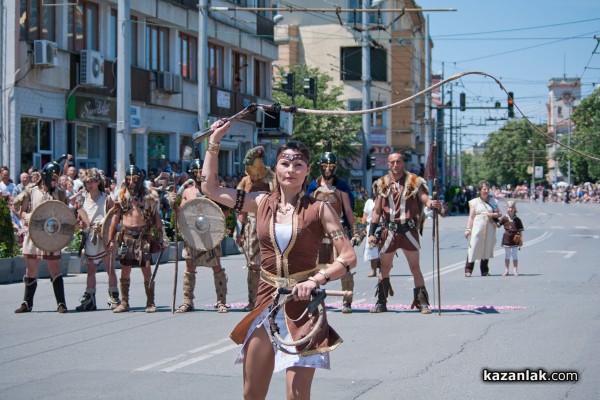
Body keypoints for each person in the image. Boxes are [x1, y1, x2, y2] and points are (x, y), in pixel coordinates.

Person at [201, 120, 357, 400]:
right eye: (285, 163)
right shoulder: (260, 202)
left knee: (296, 395)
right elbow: (210, 189)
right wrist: (215, 141)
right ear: (276, 169)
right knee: (252, 393)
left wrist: (315, 280)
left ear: (308, 170)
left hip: (303, 307)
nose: (291, 170)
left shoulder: (320, 209)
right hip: (266, 301)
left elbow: (347, 257)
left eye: (298, 165)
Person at [367, 152, 443, 314]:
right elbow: (377, 211)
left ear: (403, 163)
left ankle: (422, 302)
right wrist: (372, 233)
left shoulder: (414, 181)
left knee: (415, 267)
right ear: (388, 164)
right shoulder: (382, 183)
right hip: (389, 231)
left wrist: (432, 203)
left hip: (408, 230)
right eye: (392, 162)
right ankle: (381, 302)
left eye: (399, 161)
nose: (396, 165)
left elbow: (424, 198)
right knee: (385, 268)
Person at [106, 155, 164, 313]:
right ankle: (124, 302)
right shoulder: (122, 197)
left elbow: (157, 219)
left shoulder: (148, 198)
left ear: (140, 180)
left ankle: (150, 302)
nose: (131, 183)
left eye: (135, 180)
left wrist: (161, 237)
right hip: (126, 237)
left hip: (142, 237)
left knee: (146, 270)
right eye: (129, 180)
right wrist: (111, 239)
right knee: (125, 269)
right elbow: (114, 220)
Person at [307, 146, 361, 314]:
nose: (328, 170)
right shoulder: (312, 186)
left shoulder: (341, 187)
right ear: (320, 167)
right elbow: (306, 211)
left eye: (331, 167)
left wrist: (356, 231)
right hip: (317, 232)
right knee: (314, 269)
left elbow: (349, 211)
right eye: (324, 166)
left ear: (335, 168)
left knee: (344, 266)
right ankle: (314, 299)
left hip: (337, 231)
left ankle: (347, 300)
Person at [13, 156, 70, 313]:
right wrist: (27, 217)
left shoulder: (59, 193)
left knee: (55, 267)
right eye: (52, 178)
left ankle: (61, 303)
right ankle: (27, 303)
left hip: (51, 236)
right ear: (45, 175)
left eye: (56, 179)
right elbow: (20, 209)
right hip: (34, 234)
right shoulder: (31, 191)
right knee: (31, 269)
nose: (54, 182)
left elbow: (65, 214)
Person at [174, 156, 230, 314]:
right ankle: (187, 301)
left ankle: (221, 301)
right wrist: (174, 204)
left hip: (210, 234)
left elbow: (225, 211)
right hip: (192, 234)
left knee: (216, 266)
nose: (199, 174)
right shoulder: (187, 192)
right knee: (189, 266)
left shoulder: (214, 190)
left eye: (201, 171)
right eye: (196, 172)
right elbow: (181, 214)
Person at [74, 168, 120, 311]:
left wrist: (111, 236)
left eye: (92, 181)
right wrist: (80, 224)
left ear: (98, 181)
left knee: (110, 268)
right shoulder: (82, 199)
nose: (89, 184)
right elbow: (78, 221)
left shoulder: (106, 198)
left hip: (104, 234)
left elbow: (114, 216)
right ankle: (90, 299)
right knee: (91, 269)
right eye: (87, 181)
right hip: (90, 235)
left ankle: (113, 297)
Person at [235, 146, 274, 312]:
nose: (253, 177)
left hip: (270, 222)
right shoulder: (245, 181)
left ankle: (271, 300)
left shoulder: (272, 178)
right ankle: (253, 301)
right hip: (251, 223)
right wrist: (238, 230)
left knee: (272, 263)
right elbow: (240, 206)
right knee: (253, 264)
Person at [463, 180, 502, 277]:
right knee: (473, 246)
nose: (486, 191)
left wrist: (491, 214)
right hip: (478, 226)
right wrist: (468, 229)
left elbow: (499, 214)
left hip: (489, 226)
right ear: (480, 190)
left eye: (488, 189)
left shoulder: (493, 201)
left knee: (487, 247)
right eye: (484, 189)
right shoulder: (474, 202)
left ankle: (484, 270)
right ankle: (468, 270)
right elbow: (471, 217)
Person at [498, 200, 524, 277]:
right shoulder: (504, 218)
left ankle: (515, 270)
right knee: (507, 255)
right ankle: (506, 270)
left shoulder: (517, 220)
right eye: (509, 207)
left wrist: (521, 240)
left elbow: (520, 231)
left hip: (515, 240)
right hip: (506, 239)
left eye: (512, 207)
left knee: (515, 255)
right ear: (506, 208)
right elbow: (497, 224)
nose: (511, 209)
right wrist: (491, 218)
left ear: (515, 209)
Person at [362, 183, 380, 278]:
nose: (376, 190)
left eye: (378, 188)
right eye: (374, 188)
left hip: (382, 226)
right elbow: (365, 215)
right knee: (372, 248)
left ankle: (383, 268)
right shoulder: (369, 202)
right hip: (371, 227)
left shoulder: (386, 201)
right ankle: (373, 270)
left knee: (383, 249)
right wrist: (364, 227)